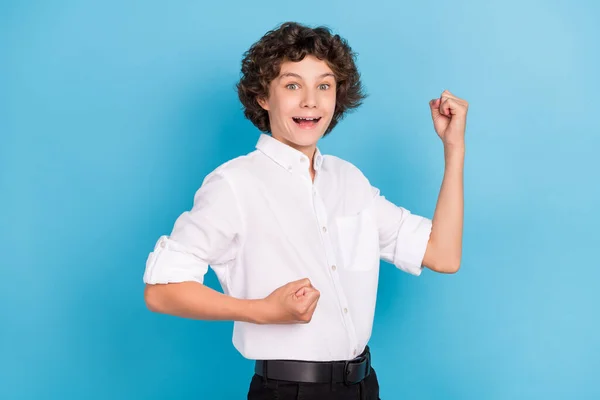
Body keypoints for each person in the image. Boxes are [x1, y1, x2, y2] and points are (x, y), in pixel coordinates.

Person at [142, 21, 467, 400]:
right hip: (289, 391)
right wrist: (263, 310)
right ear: (264, 96)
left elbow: (443, 255)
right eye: (293, 85)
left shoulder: (350, 180)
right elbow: (161, 292)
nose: (311, 100)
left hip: (364, 387)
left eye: (324, 86)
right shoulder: (234, 184)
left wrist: (453, 149)